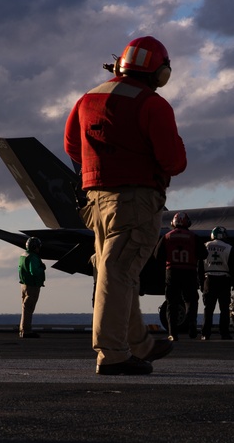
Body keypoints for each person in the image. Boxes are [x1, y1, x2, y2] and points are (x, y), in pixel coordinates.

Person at [64, 35, 187, 376]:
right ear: (160, 73)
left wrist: (102, 166)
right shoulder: (152, 104)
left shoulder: (88, 99)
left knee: (120, 270)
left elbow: (72, 146)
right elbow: (173, 160)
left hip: (95, 199)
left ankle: (140, 344)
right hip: (135, 200)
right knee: (118, 272)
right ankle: (113, 353)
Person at [159, 212, 204, 341]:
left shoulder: (166, 237)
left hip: (172, 272)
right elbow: (204, 254)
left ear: (173, 223)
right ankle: (191, 325)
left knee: (171, 303)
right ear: (187, 223)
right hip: (189, 271)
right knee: (191, 300)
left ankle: (173, 333)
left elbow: (157, 255)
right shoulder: (193, 237)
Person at [201, 226, 234, 340]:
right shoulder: (228, 248)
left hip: (209, 279)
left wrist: (201, 282)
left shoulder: (205, 246)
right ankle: (224, 333)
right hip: (224, 279)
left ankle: (205, 334)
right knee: (224, 309)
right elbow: (233, 267)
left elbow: (199, 266)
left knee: (208, 308)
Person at [18, 237, 46, 339]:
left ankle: (23, 329)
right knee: (29, 308)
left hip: (24, 284)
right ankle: (26, 331)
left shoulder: (23, 255)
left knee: (25, 307)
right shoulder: (33, 257)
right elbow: (34, 271)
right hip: (32, 285)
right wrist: (41, 268)